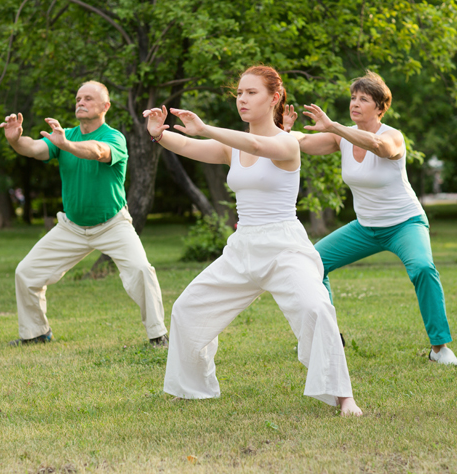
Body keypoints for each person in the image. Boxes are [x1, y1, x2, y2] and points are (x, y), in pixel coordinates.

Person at [143, 66, 362, 415]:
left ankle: (342, 395)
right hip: (243, 248)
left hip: (285, 248)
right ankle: (192, 389)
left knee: (316, 308)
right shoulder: (232, 147)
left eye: (251, 93)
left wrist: (205, 127)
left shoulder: (287, 142)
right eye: (239, 93)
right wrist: (159, 134)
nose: (242, 99)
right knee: (186, 309)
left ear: (274, 98)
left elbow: (259, 143)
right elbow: (188, 144)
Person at [284, 70, 457, 366]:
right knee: (312, 263)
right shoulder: (340, 139)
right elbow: (301, 143)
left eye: (363, 99)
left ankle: (439, 349)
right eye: (353, 97)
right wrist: (284, 131)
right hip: (365, 228)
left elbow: (380, 148)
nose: (355, 103)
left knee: (422, 268)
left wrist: (335, 126)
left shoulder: (392, 135)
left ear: (380, 108)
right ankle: (329, 337)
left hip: (405, 223)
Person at [0, 81, 168, 347]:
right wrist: (15, 140)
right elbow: (32, 148)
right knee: (26, 272)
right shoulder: (63, 135)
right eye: (78, 98)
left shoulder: (114, 138)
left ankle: (158, 334)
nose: (81, 102)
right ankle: (36, 333)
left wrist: (65, 145)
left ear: (105, 106)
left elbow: (97, 152)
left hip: (113, 224)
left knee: (141, 270)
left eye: (88, 98)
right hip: (72, 227)